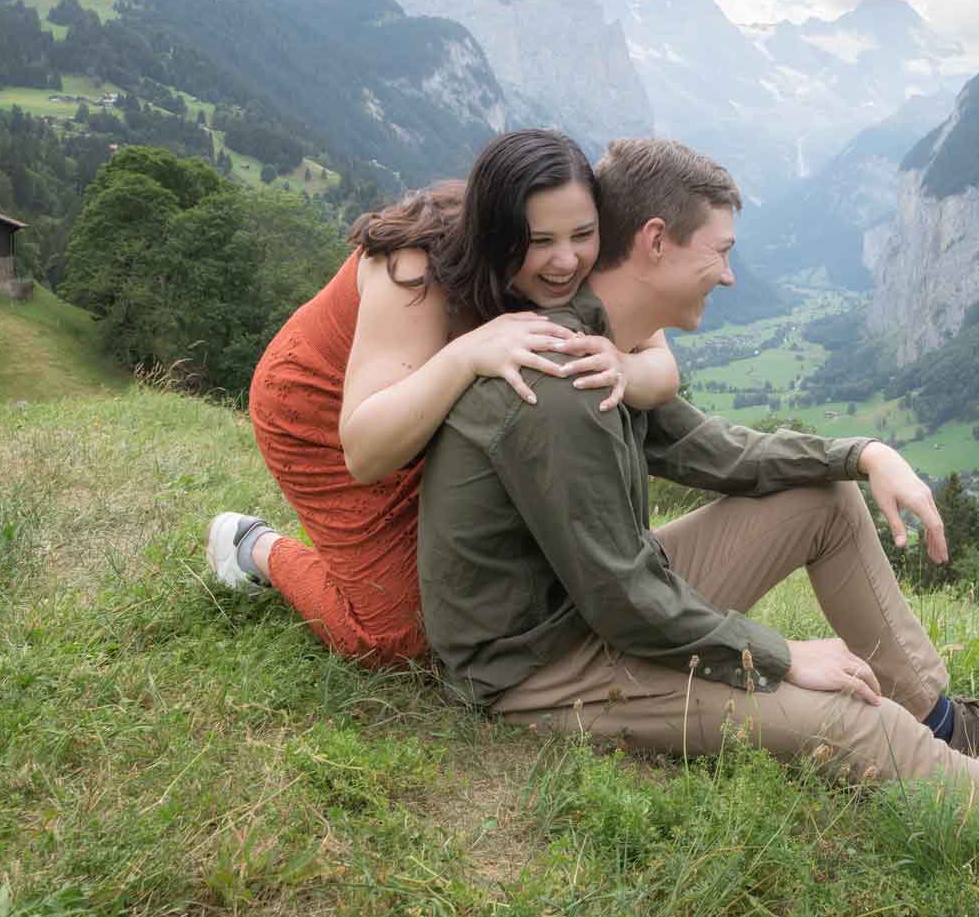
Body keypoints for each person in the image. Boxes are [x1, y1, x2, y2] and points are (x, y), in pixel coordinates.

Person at [414, 136, 979, 881]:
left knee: (821, 498)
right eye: (718, 250)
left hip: (586, 604)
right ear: (654, 241)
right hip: (539, 663)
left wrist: (861, 454)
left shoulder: (602, 344)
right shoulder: (557, 382)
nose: (727, 274)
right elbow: (622, 601)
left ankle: (942, 727)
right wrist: (781, 655)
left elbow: (715, 452)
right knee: (841, 709)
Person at [204, 129, 685, 666]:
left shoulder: (578, 236)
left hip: (443, 418)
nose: (567, 261)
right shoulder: (416, 266)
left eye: (582, 235)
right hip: (323, 413)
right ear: (495, 230)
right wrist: (467, 353)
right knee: (400, 636)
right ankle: (256, 546)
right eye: (538, 241)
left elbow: (663, 368)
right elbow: (364, 450)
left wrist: (621, 366)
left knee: (503, 588)